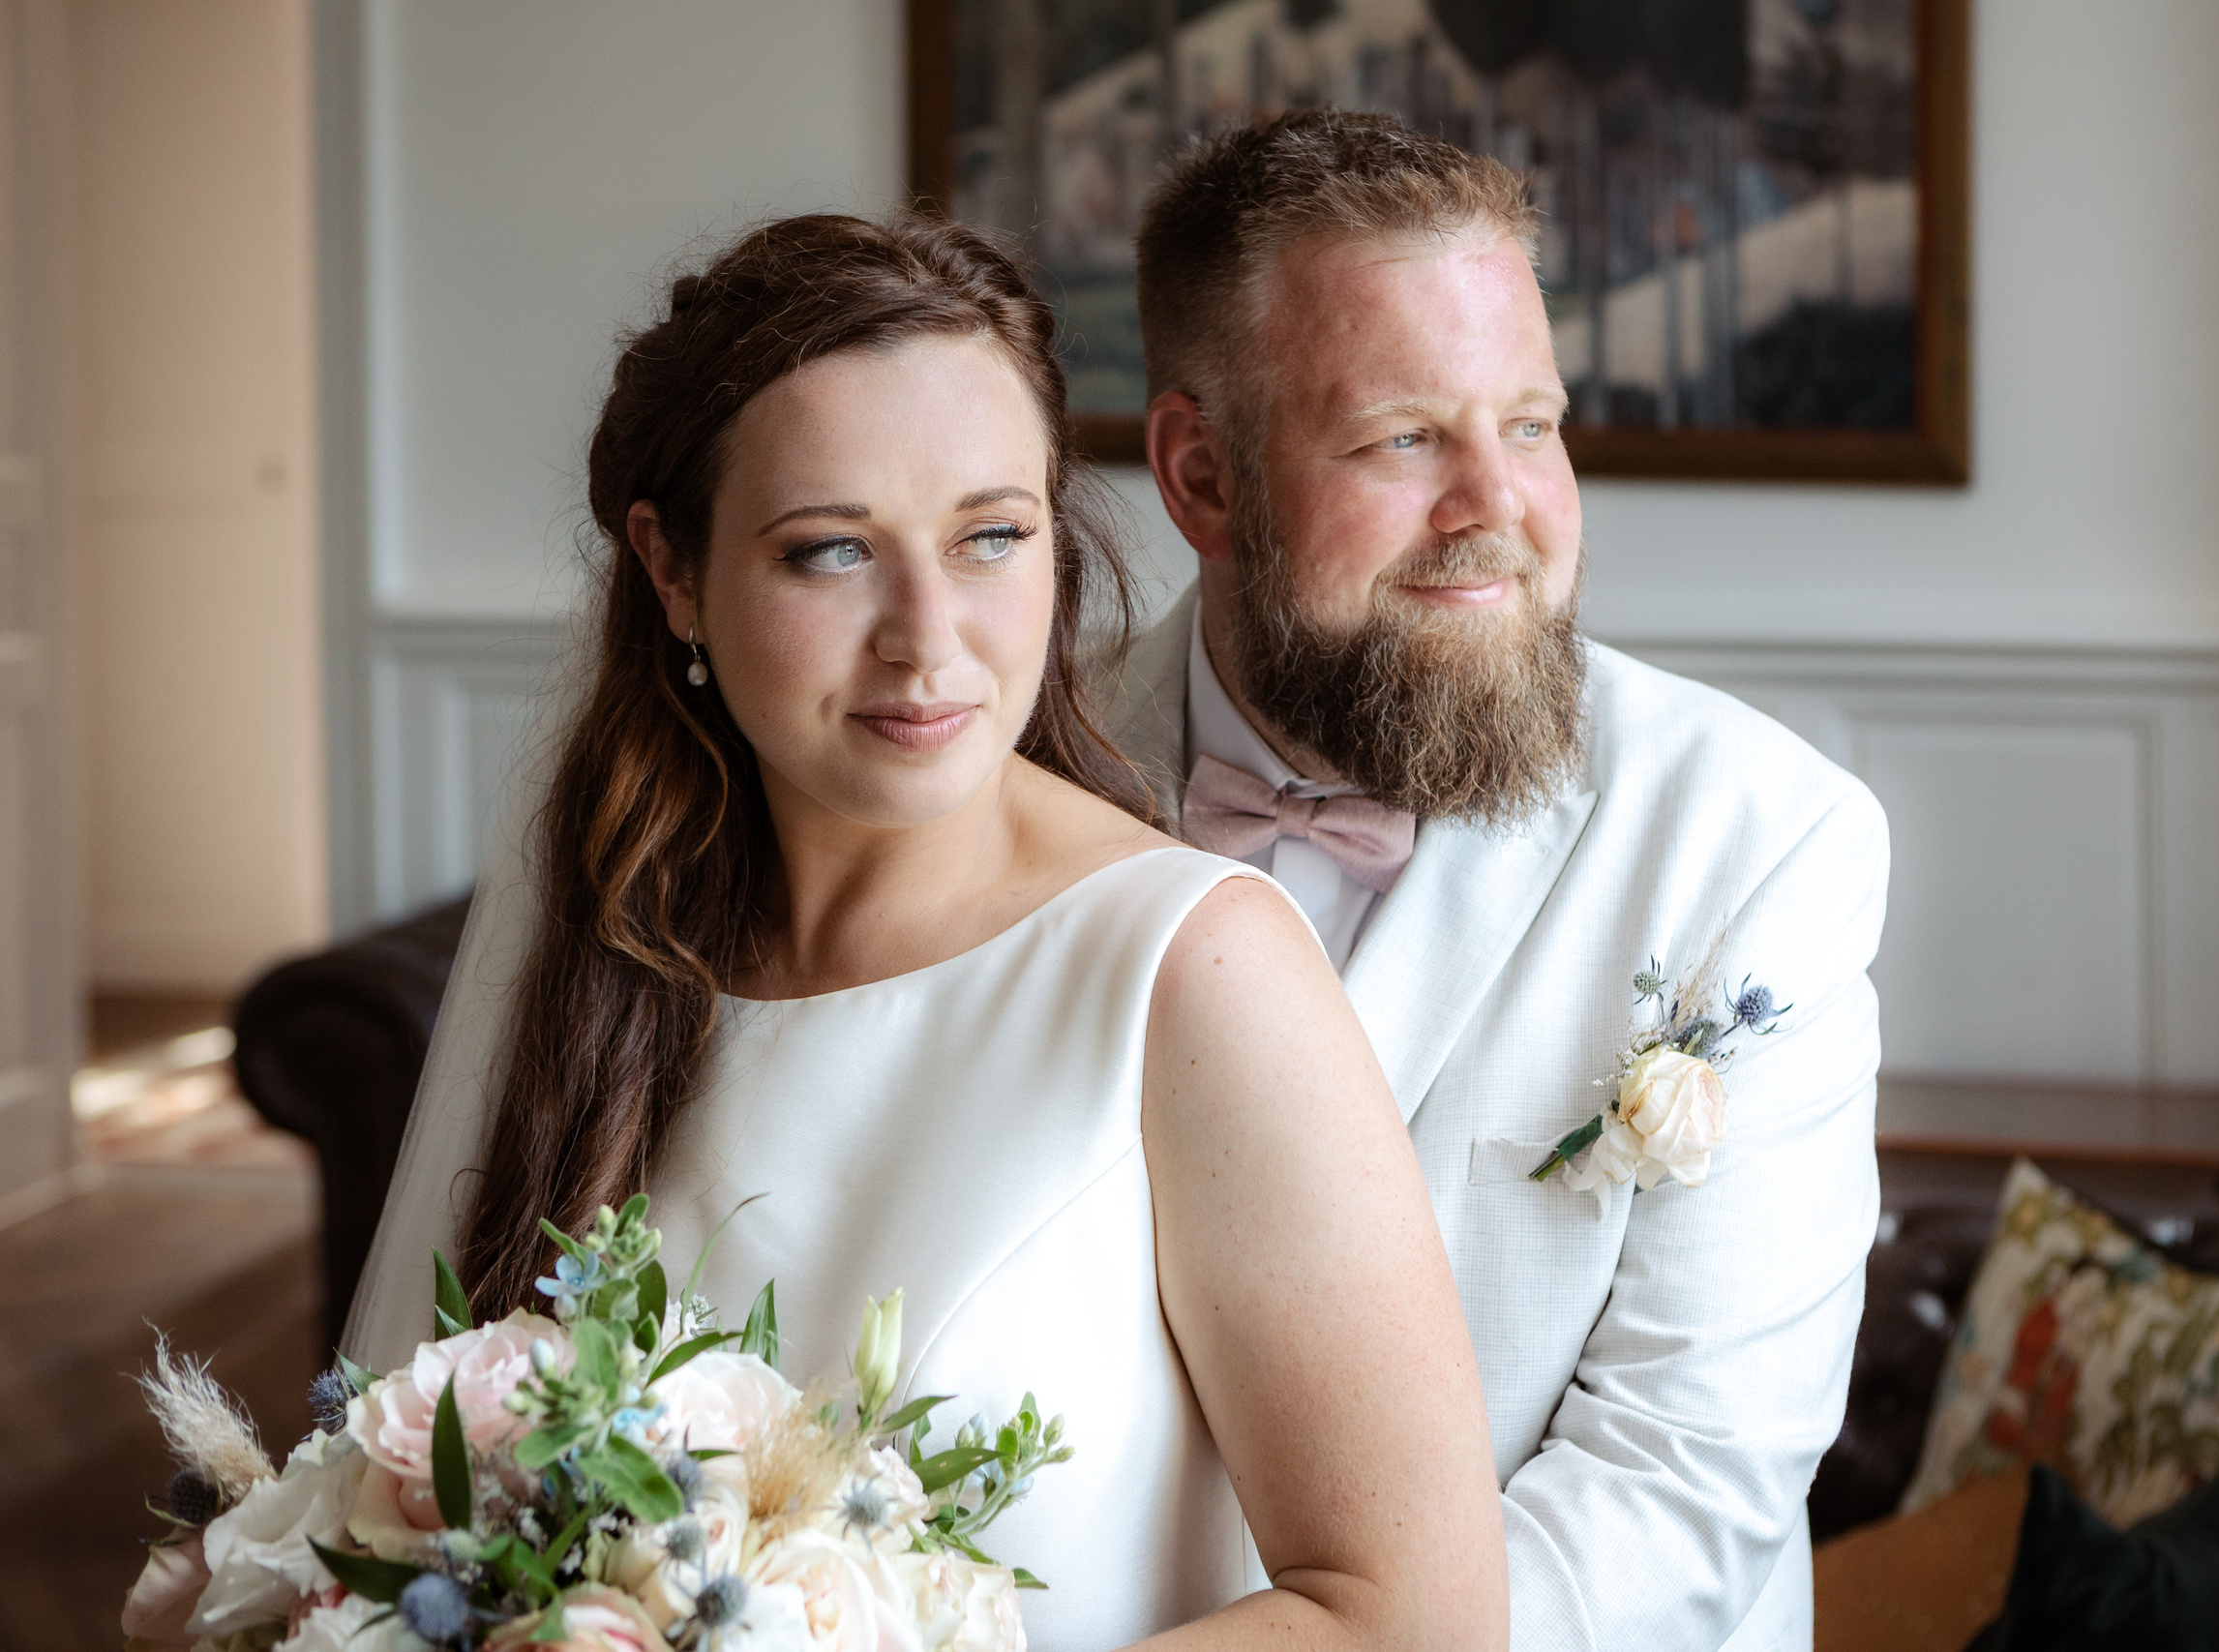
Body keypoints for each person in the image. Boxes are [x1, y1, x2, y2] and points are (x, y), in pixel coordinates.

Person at [344, 213, 1508, 1652]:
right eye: (831, 552)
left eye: (990, 538)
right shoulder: (595, 936)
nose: (928, 638)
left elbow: (1416, 1619)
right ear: (673, 570)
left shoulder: (1195, 973)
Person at [1106, 111, 1892, 1652]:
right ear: (1200, 475)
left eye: (1530, 425)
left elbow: (1685, 1478)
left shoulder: (1758, 839)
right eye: (1405, 438)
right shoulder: (1020, 787)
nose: (1500, 511)